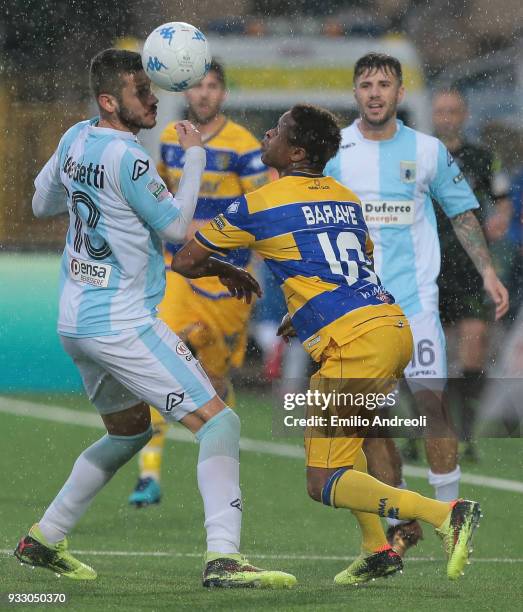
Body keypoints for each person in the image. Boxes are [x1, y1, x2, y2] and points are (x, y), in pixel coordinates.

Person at [13, 49, 295, 589]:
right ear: (108, 101)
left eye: (152, 87)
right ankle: (224, 559)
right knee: (221, 421)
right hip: (122, 321)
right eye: (141, 90)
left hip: (75, 320)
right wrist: (194, 156)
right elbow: (174, 227)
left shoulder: (75, 138)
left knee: (128, 433)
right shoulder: (131, 157)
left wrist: (89, 197)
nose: (153, 97)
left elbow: (39, 204)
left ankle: (45, 538)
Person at [171, 103, 482, 585]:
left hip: (356, 344)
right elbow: (351, 267)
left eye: (278, 129)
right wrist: (304, 312)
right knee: (350, 443)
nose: (267, 130)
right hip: (389, 326)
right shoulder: (345, 198)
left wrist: (229, 270)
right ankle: (375, 547)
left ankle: (445, 514)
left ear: (294, 152)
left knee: (323, 482)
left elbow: (187, 261)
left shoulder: (263, 201)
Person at [323, 53, 508, 556]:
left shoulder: (427, 151)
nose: (375, 92)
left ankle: (452, 521)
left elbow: (463, 212)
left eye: (384, 83)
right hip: (357, 311)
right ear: (355, 92)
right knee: (370, 426)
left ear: (400, 93)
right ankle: (404, 527)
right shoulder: (336, 151)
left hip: (415, 307)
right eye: (366, 84)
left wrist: (488, 272)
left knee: (431, 409)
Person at [128, 60, 271, 507]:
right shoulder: (172, 139)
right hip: (177, 273)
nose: (204, 95)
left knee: (212, 376)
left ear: (223, 95)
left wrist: (205, 230)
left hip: (226, 279)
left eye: (213, 87)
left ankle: (221, 450)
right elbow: (162, 193)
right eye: (198, 87)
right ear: (187, 92)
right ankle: (148, 474)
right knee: (160, 361)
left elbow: (259, 210)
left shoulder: (244, 146)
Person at [432, 88, 512, 461]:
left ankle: (465, 436)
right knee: (418, 356)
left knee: (473, 347)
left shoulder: (482, 157)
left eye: (453, 111)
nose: (447, 117)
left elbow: (502, 198)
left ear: (464, 115)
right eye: (441, 111)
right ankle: (423, 435)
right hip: (426, 264)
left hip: (468, 267)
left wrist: (500, 219)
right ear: (434, 116)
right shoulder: (421, 156)